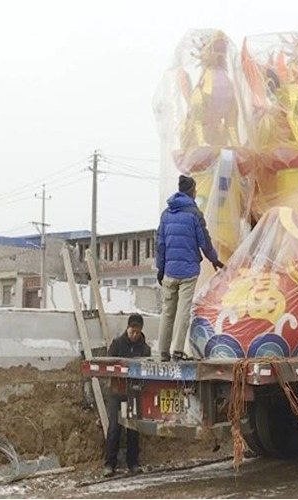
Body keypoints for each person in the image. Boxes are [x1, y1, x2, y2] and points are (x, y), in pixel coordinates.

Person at [156, 175, 224, 362]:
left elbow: (160, 244)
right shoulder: (195, 214)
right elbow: (205, 241)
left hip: (169, 271)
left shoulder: (166, 214)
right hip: (188, 272)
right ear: (191, 191)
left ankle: (163, 351)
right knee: (183, 311)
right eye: (194, 190)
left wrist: (160, 268)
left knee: (168, 311)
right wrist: (215, 259)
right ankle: (177, 350)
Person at [104, 313, 151, 477]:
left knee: (133, 428)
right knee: (114, 428)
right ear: (128, 328)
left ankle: (133, 463)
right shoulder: (117, 344)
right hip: (117, 392)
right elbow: (108, 364)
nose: (135, 335)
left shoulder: (145, 348)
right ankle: (109, 464)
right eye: (132, 331)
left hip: (135, 393)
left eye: (138, 332)